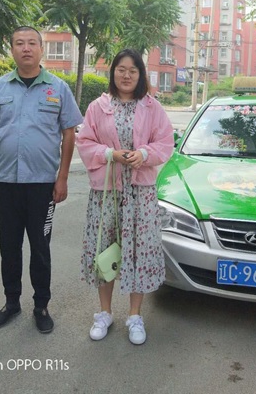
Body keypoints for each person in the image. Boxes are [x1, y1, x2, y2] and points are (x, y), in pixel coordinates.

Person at [0, 26, 82, 334]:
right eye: (19, 43)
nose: (26, 48)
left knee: (40, 247)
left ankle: (41, 305)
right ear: (12, 50)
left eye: (32, 43)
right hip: (5, 182)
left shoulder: (58, 88)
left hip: (42, 185)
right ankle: (11, 303)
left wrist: (62, 178)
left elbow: (69, 134)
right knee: (9, 246)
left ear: (41, 49)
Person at [76, 48, 174, 345]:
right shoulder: (98, 107)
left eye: (133, 70)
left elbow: (165, 143)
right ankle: (104, 313)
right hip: (107, 194)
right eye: (121, 69)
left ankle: (134, 315)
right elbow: (85, 141)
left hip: (140, 194)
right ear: (113, 72)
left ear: (141, 75)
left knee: (138, 251)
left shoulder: (152, 107)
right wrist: (109, 154)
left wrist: (143, 154)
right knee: (105, 249)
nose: (127, 75)